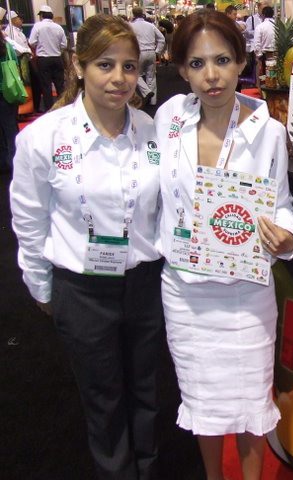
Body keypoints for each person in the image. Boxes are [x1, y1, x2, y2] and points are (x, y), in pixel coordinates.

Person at [10, 14, 163, 479]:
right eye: (104, 65)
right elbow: (29, 218)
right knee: (102, 397)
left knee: (148, 391)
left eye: (129, 66)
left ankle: (148, 469)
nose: (119, 78)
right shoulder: (43, 138)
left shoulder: (152, 130)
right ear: (78, 66)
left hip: (146, 284)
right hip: (82, 288)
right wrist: (41, 286)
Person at [155, 10, 293, 480]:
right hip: (185, 292)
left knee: (249, 403)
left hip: (244, 292)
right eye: (197, 64)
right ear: (182, 70)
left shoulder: (268, 131)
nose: (211, 76)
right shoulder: (169, 119)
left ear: (242, 62)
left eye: (222, 60)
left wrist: (287, 237)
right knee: (201, 401)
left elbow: (281, 204)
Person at [28, 5, 67, 112]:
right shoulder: (58, 27)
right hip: (57, 58)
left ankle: (49, 111)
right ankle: (64, 108)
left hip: (43, 60)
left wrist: (40, 45)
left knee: (46, 87)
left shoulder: (38, 26)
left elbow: (31, 42)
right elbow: (64, 45)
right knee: (60, 86)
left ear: (41, 15)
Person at [130, 7, 165, 106]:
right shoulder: (151, 25)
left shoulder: (130, 26)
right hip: (151, 52)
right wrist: (157, 51)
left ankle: (146, 91)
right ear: (142, 13)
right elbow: (161, 39)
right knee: (151, 77)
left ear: (133, 14)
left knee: (136, 74)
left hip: (139, 53)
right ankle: (153, 101)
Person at [0, 31, 19, 174]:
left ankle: (3, 162)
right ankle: (15, 161)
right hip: (9, 91)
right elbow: (16, 65)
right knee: (11, 128)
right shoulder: (7, 47)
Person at [253, 5, 276, 75]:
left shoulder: (260, 27)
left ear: (263, 15)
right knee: (275, 76)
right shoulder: (278, 25)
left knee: (265, 77)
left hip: (265, 56)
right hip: (277, 55)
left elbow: (257, 44)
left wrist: (259, 56)